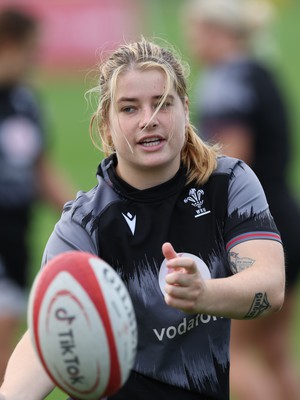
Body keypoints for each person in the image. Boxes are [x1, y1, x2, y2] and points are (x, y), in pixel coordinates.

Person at [0, 37, 285, 400]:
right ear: (106, 124)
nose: (149, 120)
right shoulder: (86, 225)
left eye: (162, 104)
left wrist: (204, 293)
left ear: (185, 108)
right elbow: (51, 329)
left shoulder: (227, 184)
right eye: (129, 108)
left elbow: (270, 285)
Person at [182, 0, 300, 399]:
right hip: (288, 220)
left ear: (219, 32)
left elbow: (233, 164)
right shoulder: (261, 70)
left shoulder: (226, 82)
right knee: (274, 353)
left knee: (236, 352)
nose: (191, 38)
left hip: (257, 233)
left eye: (196, 29)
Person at [0, 8, 74, 383]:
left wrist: (86, 216)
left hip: (16, 238)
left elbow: (41, 172)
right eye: (30, 49)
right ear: (7, 45)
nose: (35, 58)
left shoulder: (26, 102)